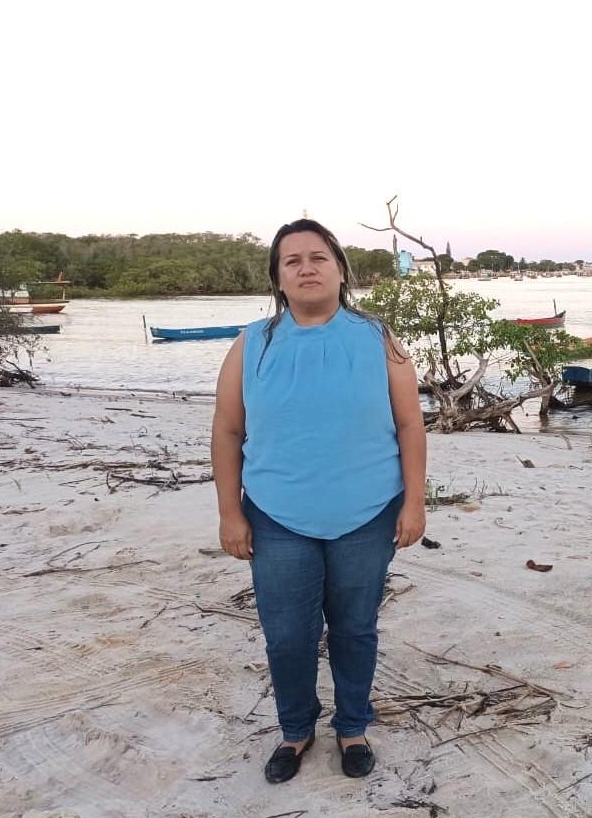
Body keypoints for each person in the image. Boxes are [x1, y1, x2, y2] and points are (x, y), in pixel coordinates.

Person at [210, 218, 427, 783]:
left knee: (355, 628)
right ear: (278, 278)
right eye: (292, 261)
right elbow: (228, 430)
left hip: (367, 512)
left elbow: (410, 425)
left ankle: (352, 726)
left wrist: (414, 503)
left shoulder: (377, 337)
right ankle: (296, 730)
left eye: (318, 257)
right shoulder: (250, 344)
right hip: (277, 515)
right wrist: (230, 512)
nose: (306, 267)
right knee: (287, 633)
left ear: (339, 269)